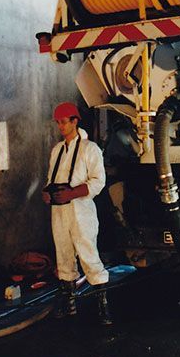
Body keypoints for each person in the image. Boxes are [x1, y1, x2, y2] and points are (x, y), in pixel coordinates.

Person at [43, 102, 111, 325]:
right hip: (59, 211)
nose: (60, 126)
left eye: (64, 122)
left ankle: (102, 307)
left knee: (88, 253)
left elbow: (98, 181)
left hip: (81, 210)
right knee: (63, 254)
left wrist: (72, 193)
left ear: (75, 121)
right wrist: (47, 192)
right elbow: (51, 179)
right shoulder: (57, 150)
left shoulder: (90, 149)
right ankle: (69, 304)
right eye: (58, 123)